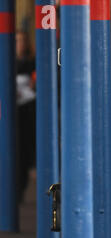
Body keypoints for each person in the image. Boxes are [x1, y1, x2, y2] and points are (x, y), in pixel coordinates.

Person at [16, 30, 36, 205]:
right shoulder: (9, 62)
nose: (19, 44)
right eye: (16, 40)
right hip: (13, 115)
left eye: (22, 40)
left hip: (28, 113)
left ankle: (20, 188)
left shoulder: (32, 63)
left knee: (23, 151)